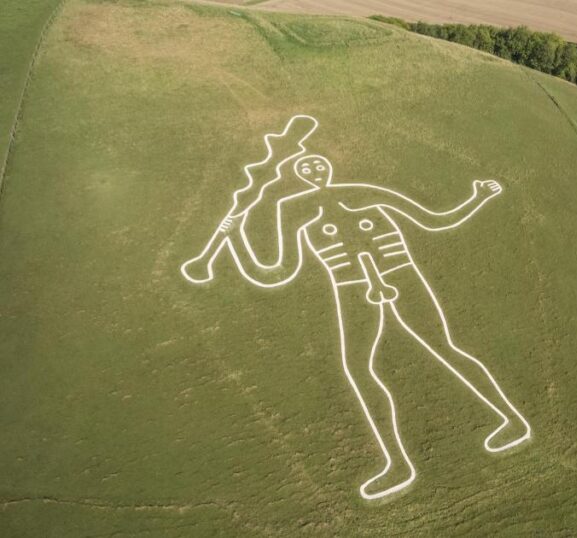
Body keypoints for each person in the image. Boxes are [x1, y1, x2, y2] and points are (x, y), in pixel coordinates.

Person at [181, 153, 531, 500]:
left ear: (329, 166)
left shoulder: (362, 191)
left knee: (443, 347)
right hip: (351, 288)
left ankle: (510, 420)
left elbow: (432, 220)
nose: (314, 170)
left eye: (317, 164)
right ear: (298, 175)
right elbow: (276, 270)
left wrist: (479, 196)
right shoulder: (292, 209)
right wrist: (236, 238)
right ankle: (397, 464)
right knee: (360, 369)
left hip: (400, 275)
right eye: (306, 168)